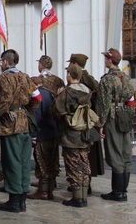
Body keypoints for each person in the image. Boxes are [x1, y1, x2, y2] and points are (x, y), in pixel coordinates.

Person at [0, 49, 41, 213]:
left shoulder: (5, 77)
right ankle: (21, 200)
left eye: (1, 61)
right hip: (24, 121)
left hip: (10, 123)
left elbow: (5, 100)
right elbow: (37, 97)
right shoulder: (25, 76)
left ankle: (14, 200)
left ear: (5, 62)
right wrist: (26, 111)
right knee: (24, 162)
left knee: (11, 162)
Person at [96, 48, 135, 202]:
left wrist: (100, 123)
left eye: (106, 58)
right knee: (126, 153)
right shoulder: (125, 77)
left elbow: (103, 103)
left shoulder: (107, 79)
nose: (105, 60)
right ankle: (123, 190)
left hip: (112, 116)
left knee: (115, 153)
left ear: (110, 60)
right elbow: (131, 97)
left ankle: (117, 192)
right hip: (124, 115)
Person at [52, 65, 93, 207]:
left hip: (70, 134)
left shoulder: (67, 92)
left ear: (70, 75)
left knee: (73, 165)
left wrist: (58, 95)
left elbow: (56, 110)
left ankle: (77, 198)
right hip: (84, 133)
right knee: (84, 164)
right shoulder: (87, 91)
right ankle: (83, 195)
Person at [67, 53, 104, 192]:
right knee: (86, 155)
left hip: (80, 122)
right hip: (88, 121)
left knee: (80, 156)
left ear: (75, 64)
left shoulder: (82, 79)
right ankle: (82, 184)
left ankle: (82, 185)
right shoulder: (90, 79)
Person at [26, 76, 59, 201]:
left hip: (42, 132)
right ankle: (49, 190)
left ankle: (43, 191)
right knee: (51, 161)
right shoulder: (50, 94)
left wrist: (33, 135)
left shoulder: (37, 95)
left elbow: (36, 115)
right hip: (53, 132)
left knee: (42, 162)